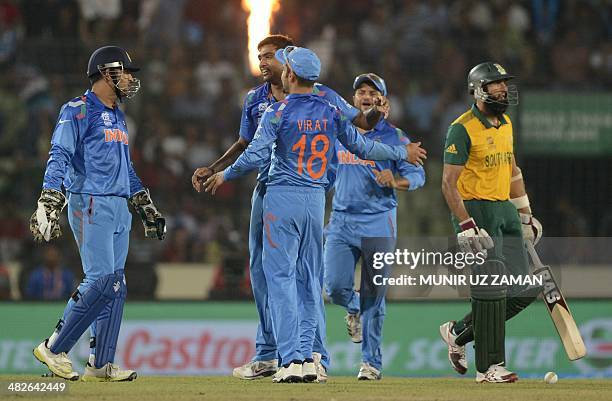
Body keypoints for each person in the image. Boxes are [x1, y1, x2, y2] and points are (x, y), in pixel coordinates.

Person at [191, 35, 425, 381]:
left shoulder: (277, 110)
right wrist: (399, 153)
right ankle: (304, 357)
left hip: (281, 196)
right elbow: (362, 143)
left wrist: (223, 174)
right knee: (309, 278)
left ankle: (293, 359)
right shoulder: (328, 108)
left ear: (290, 74)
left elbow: (253, 153)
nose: (268, 63)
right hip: (316, 200)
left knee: (281, 278)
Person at [29, 46, 166, 382]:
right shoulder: (77, 110)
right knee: (101, 279)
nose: (132, 79)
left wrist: (143, 203)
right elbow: (59, 153)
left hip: (119, 207)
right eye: (128, 72)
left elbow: (125, 166)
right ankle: (54, 347)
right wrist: (49, 198)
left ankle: (100, 363)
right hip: (90, 201)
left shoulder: (118, 114)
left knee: (116, 284)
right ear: (109, 73)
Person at [439, 62, 542, 383]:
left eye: (503, 84)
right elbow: (448, 183)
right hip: (476, 211)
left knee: (525, 287)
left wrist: (524, 212)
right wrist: (466, 224)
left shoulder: (506, 122)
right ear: (478, 90)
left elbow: (511, 169)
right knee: (490, 288)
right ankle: (490, 367)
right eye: (495, 84)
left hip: (504, 210)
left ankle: (458, 332)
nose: (502, 89)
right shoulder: (462, 127)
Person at [323, 73, 425, 380]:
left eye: (372, 92)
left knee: (375, 294)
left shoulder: (396, 137)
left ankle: (371, 363)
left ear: (383, 99)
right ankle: (353, 307)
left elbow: (419, 177)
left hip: (378, 222)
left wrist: (395, 181)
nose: (365, 96)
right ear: (353, 100)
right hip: (341, 221)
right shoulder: (341, 131)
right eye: (360, 92)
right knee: (334, 287)